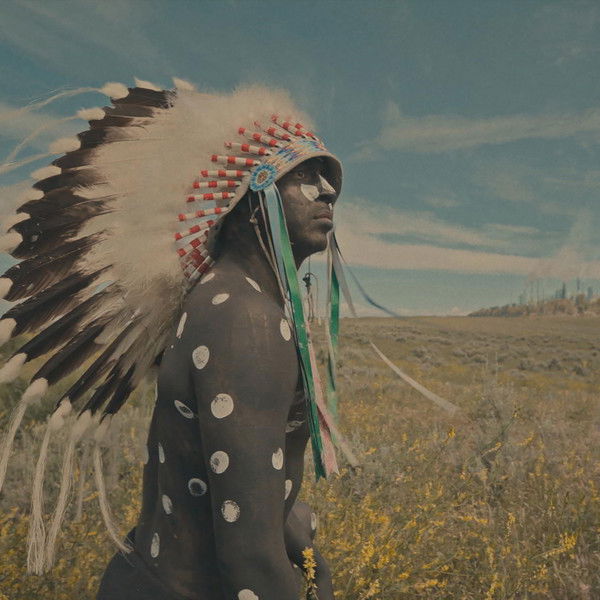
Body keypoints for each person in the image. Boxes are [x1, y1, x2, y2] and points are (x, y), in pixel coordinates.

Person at [0, 81, 344, 599]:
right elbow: (248, 558)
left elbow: (226, 485)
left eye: (327, 177)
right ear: (254, 199)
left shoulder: (228, 302)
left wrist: (288, 518)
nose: (328, 190)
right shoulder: (243, 320)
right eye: (304, 176)